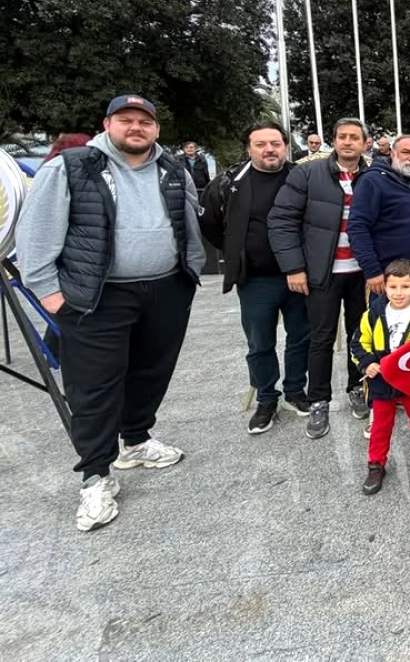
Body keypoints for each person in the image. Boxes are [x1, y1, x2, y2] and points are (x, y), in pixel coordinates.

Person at [16, 94, 205, 532]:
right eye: (126, 120)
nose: (135, 127)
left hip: (164, 290)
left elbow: (189, 224)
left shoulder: (172, 169)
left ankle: (135, 441)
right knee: (94, 388)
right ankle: (96, 477)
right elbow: (37, 232)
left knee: (151, 371)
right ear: (108, 124)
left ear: (156, 128)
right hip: (96, 297)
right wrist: (49, 294)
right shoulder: (72, 167)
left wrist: (189, 274)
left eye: (144, 121)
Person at [200, 122, 311, 435]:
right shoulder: (229, 181)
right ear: (249, 148)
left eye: (275, 143)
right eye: (261, 144)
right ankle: (266, 398)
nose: (269, 149)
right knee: (260, 343)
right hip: (255, 279)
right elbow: (210, 223)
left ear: (285, 146)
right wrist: (238, 251)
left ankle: (294, 392)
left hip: (299, 276)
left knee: (300, 337)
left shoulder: (300, 178)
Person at [268, 117, 371, 440]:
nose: (348, 142)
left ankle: (357, 388)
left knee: (360, 337)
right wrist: (294, 267)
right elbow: (282, 220)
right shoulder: (308, 173)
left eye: (355, 137)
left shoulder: (374, 176)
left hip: (362, 274)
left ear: (365, 143)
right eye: (342, 136)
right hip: (321, 273)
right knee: (321, 338)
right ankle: (319, 400)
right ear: (333, 141)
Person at [351, 259, 410, 495]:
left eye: (405, 287)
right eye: (393, 287)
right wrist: (367, 363)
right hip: (381, 380)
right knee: (381, 425)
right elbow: (359, 344)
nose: (399, 293)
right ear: (384, 287)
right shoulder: (372, 314)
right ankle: (376, 464)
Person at [347, 135, 410, 304]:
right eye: (405, 152)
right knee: (387, 329)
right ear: (393, 154)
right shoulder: (372, 180)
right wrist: (372, 271)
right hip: (389, 280)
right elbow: (358, 228)